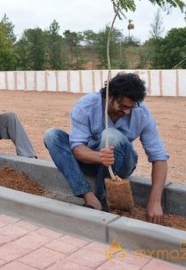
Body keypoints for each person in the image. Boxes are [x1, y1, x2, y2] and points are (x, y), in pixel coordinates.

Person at [43, 72, 169, 224]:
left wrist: (155, 202)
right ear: (109, 96)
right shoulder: (87, 106)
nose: (127, 112)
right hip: (91, 161)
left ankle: (103, 197)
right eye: (122, 106)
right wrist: (99, 157)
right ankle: (90, 197)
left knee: (112, 136)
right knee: (52, 135)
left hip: (121, 164)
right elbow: (77, 148)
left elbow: (159, 157)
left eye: (131, 107)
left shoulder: (141, 113)